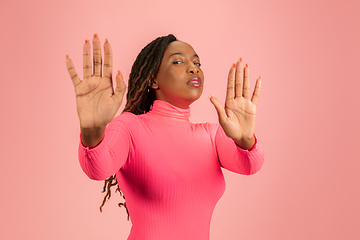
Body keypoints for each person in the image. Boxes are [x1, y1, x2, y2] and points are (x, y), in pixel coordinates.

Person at [65, 33, 264, 240]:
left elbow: (250, 165)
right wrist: (92, 130)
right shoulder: (130, 127)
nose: (193, 68)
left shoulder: (212, 135)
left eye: (197, 62)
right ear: (152, 79)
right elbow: (97, 168)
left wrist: (245, 139)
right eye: (178, 61)